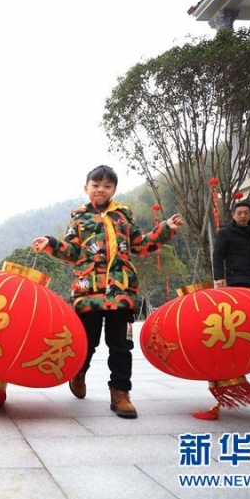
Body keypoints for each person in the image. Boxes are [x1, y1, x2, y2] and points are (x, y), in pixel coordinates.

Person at [32, 165, 183, 419]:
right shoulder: (79, 217)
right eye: (96, 185)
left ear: (114, 189)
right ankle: (79, 373)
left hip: (121, 291)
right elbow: (72, 252)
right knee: (86, 342)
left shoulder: (123, 215)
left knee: (121, 345)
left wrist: (166, 228)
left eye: (107, 186)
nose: (101, 189)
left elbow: (140, 245)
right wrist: (51, 243)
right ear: (86, 188)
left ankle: (120, 393)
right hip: (87, 291)